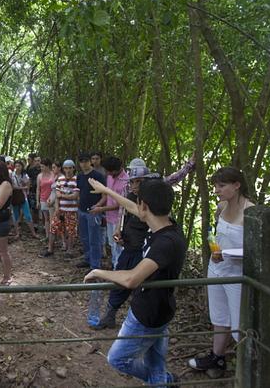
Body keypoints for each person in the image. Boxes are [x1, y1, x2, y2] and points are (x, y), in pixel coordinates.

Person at [85, 178, 186, 387]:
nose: (135, 206)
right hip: (161, 309)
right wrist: (105, 190)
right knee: (156, 361)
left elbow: (131, 279)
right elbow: (130, 205)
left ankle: (161, 381)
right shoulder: (164, 224)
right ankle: (161, 380)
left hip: (147, 313)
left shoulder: (166, 243)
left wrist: (99, 272)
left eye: (138, 202)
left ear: (145, 207)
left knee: (116, 358)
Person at [90, 156, 196, 330]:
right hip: (131, 244)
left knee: (142, 283)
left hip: (148, 259)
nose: (134, 185)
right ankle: (111, 313)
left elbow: (175, 178)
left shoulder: (165, 234)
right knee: (123, 278)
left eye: (138, 181)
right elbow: (127, 208)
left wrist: (189, 166)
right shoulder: (134, 198)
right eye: (132, 181)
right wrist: (119, 230)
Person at [188, 167, 253, 377]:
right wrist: (216, 251)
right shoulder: (221, 206)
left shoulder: (251, 212)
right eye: (216, 185)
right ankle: (217, 358)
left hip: (236, 274)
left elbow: (254, 251)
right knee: (219, 317)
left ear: (237, 185)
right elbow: (218, 236)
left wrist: (231, 254)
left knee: (238, 326)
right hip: (216, 268)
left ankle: (246, 369)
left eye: (222, 186)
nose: (217, 190)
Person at [89, 156, 128, 269]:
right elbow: (107, 194)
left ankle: (119, 268)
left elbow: (121, 204)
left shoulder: (126, 181)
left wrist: (101, 209)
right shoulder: (110, 177)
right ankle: (115, 265)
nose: (108, 173)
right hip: (109, 218)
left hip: (119, 221)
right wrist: (99, 205)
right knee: (111, 244)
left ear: (116, 169)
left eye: (109, 171)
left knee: (118, 245)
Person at [76, 152, 107, 269]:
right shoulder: (79, 176)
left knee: (94, 239)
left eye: (86, 161)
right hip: (82, 210)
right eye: (81, 161)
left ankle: (95, 265)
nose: (84, 164)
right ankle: (88, 259)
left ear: (90, 162)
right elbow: (79, 191)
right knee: (84, 237)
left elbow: (105, 194)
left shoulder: (98, 176)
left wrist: (98, 206)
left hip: (94, 211)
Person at [49, 160, 80, 258]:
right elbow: (57, 195)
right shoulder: (60, 179)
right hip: (60, 209)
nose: (68, 170)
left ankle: (69, 251)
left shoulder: (76, 180)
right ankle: (50, 249)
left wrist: (63, 195)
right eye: (66, 168)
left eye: (70, 168)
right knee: (53, 228)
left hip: (72, 210)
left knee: (71, 231)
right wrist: (57, 208)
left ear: (73, 168)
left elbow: (75, 196)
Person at [10, 160, 39, 240]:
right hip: (15, 197)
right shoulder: (12, 175)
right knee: (15, 215)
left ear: (22, 167)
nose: (17, 168)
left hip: (23, 197)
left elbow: (28, 186)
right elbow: (12, 186)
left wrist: (20, 187)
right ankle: (17, 233)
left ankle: (33, 233)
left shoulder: (25, 175)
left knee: (28, 215)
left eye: (19, 166)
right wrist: (22, 187)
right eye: (16, 166)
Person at [36, 158, 56, 256]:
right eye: (41, 167)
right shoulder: (39, 176)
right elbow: (38, 189)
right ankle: (48, 236)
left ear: (47, 166)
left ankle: (53, 239)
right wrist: (37, 200)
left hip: (52, 200)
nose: (41, 168)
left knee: (53, 220)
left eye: (43, 166)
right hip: (43, 199)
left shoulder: (53, 174)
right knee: (46, 219)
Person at [26, 153, 42, 226]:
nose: (37, 162)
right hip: (33, 191)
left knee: (44, 209)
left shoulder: (43, 170)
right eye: (35, 161)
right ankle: (34, 224)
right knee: (34, 208)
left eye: (38, 160)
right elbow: (28, 180)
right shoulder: (30, 170)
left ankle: (44, 225)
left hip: (42, 191)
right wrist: (28, 190)